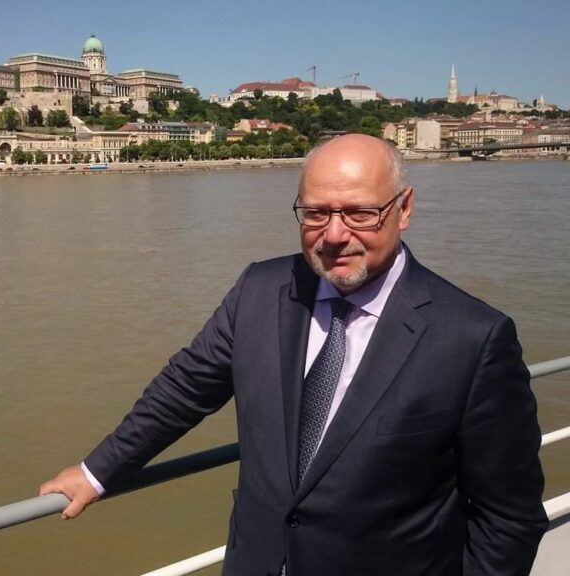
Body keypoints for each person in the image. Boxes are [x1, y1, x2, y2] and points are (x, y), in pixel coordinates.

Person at [40, 134, 547, 575]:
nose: (334, 235)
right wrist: (96, 472)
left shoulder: (472, 338)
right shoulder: (259, 291)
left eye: (359, 213)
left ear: (404, 208)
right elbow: (185, 388)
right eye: (316, 213)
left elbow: (509, 516)